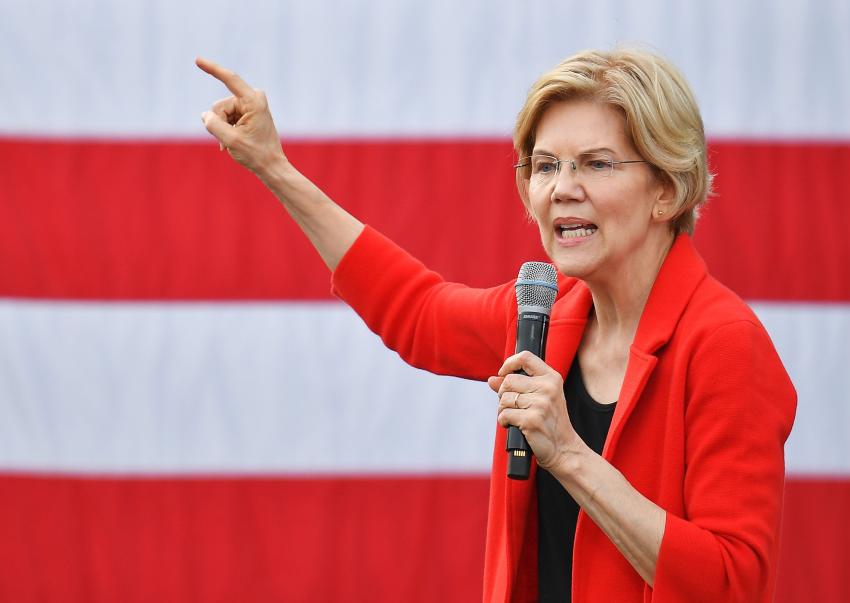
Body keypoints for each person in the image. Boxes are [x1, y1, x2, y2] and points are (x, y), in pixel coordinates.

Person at [197, 49, 796, 602]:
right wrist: (275, 167)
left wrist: (569, 455)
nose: (563, 189)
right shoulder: (545, 312)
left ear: (667, 189)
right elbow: (417, 311)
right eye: (545, 166)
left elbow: (731, 583)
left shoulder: (723, 344)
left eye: (596, 164)